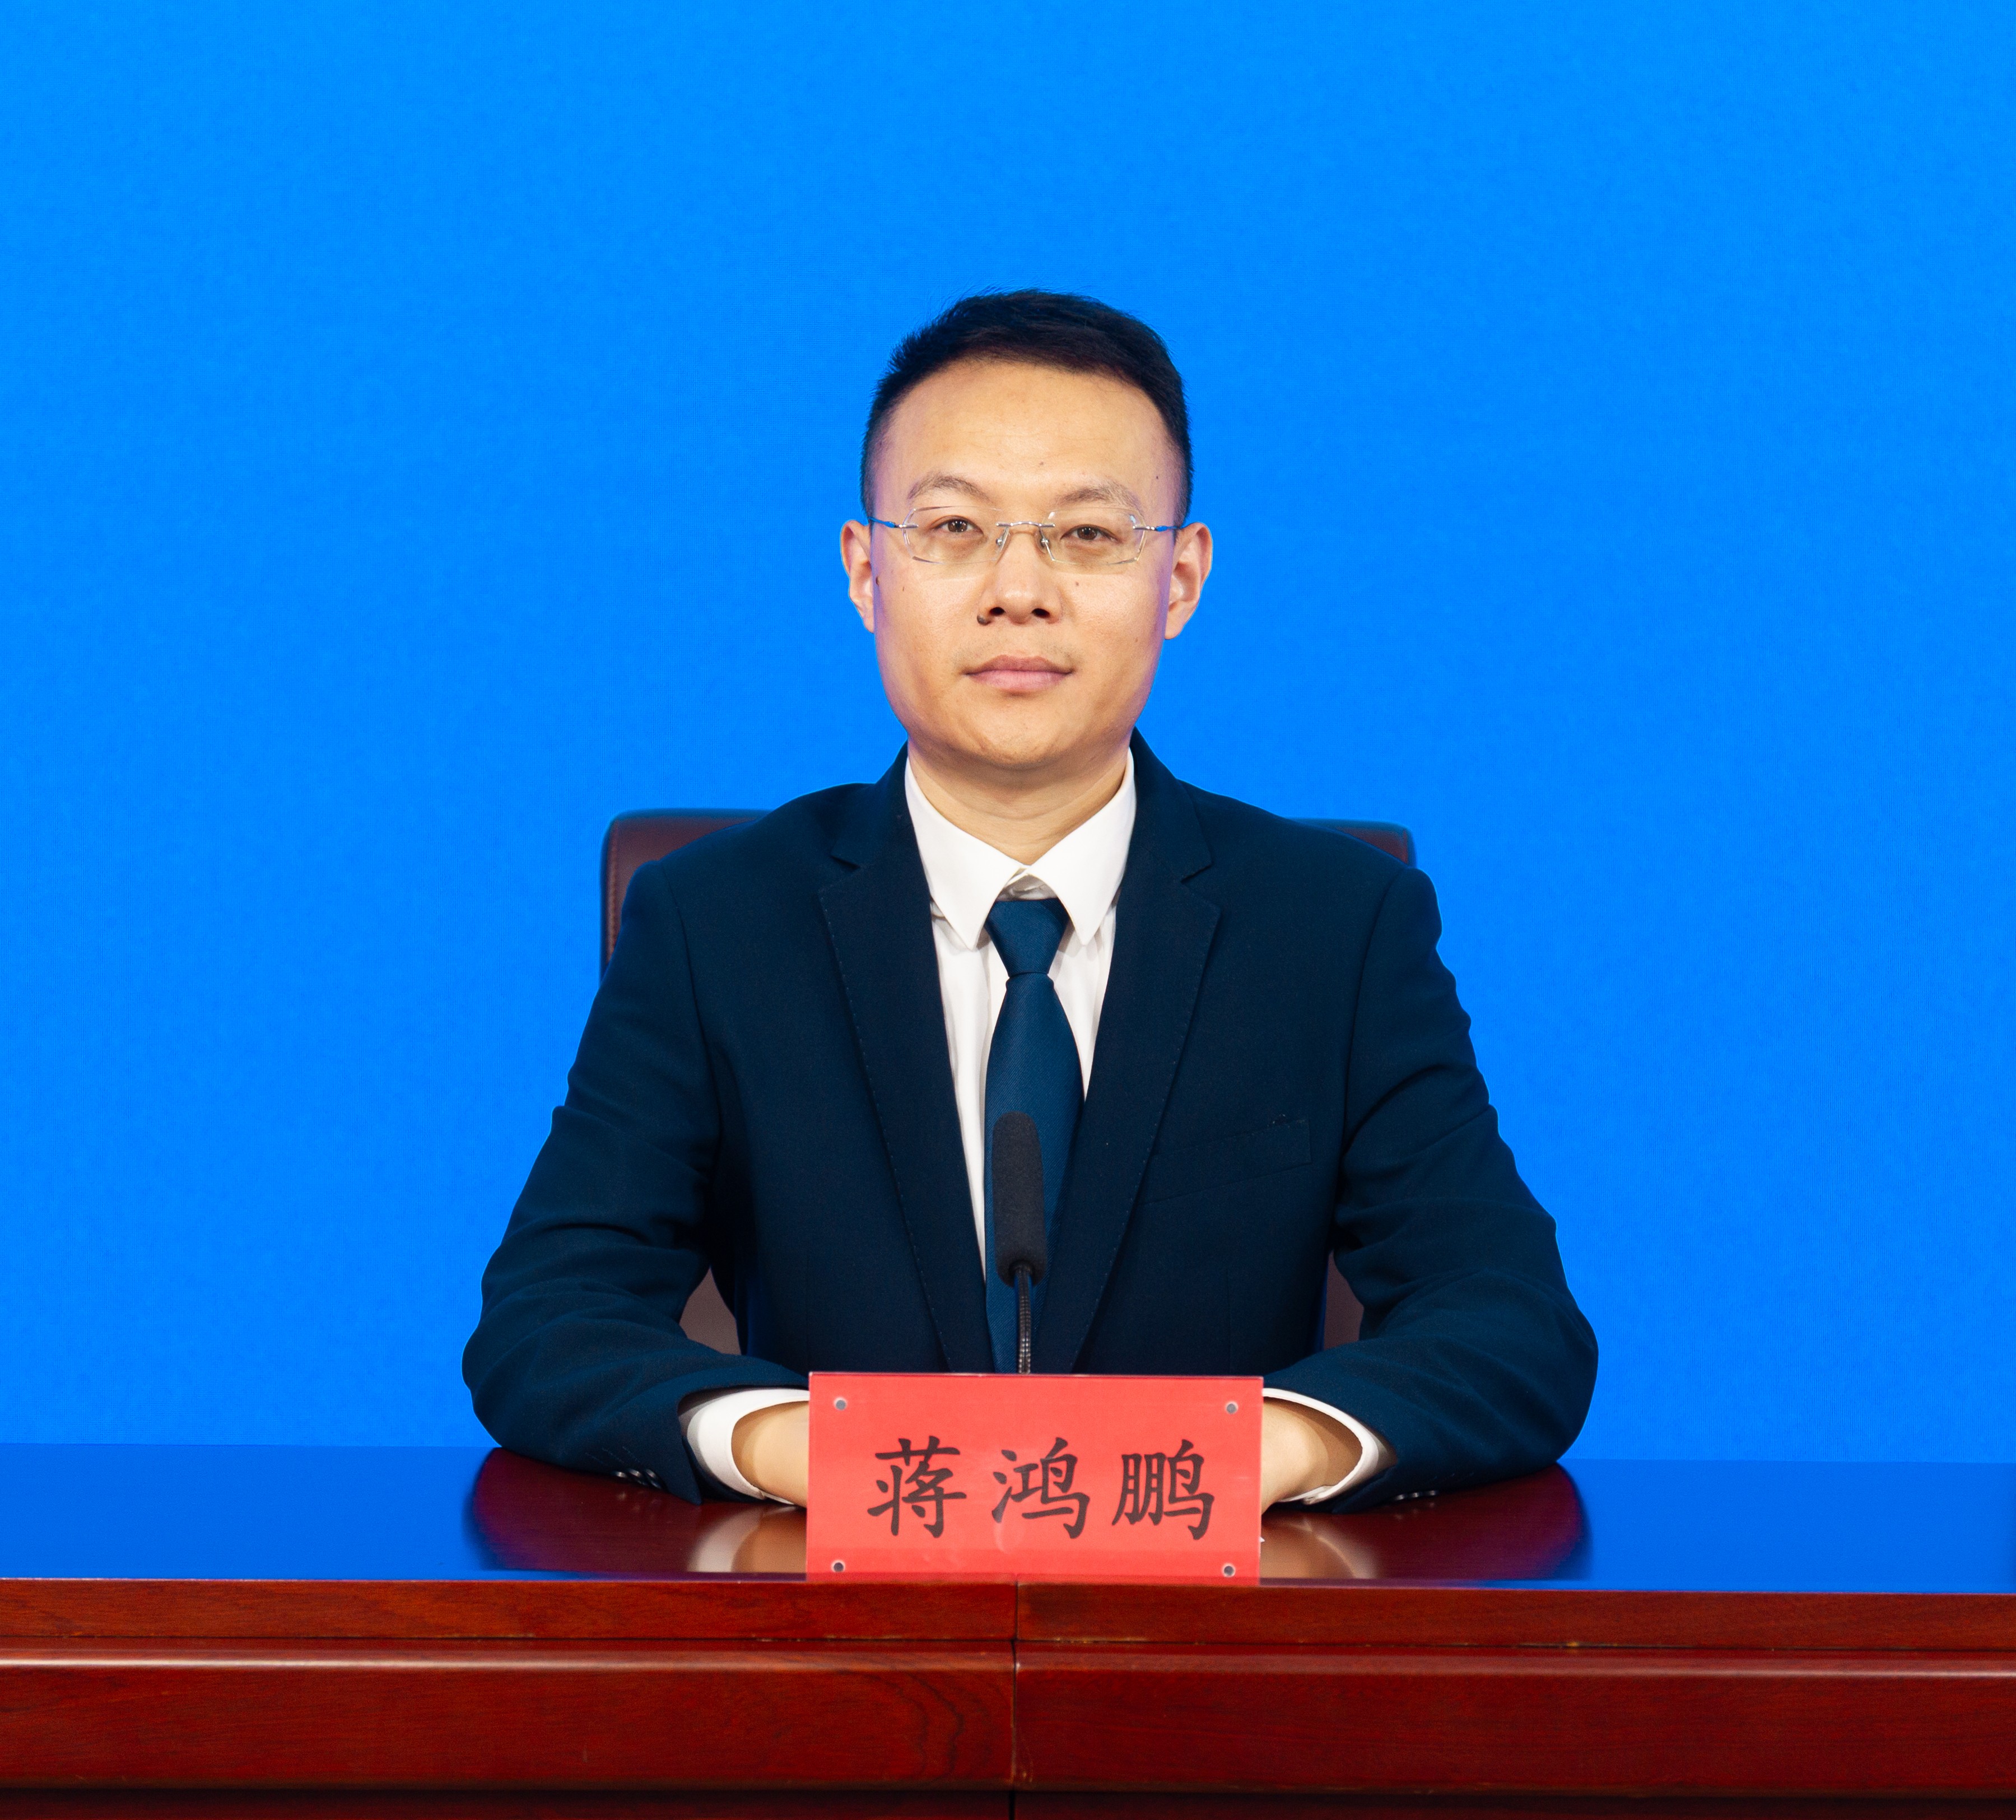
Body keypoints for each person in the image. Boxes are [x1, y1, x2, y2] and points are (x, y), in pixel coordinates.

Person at [464, 290, 1596, 1513]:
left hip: (1212, 1604)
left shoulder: (1336, 930)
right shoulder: (716, 924)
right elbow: (549, 1319)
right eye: (954, 527)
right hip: (833, 1600)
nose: (1019, 589)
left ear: (1181, 578)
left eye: (1087, 534)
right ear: (866, 571)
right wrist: (797, 1446)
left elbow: (1510, 1325)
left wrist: (1268, 1449)